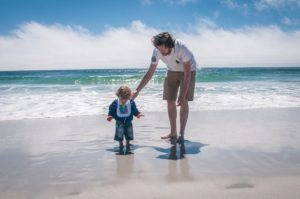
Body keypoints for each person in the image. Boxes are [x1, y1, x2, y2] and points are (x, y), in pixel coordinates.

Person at [132, 32, 197, 143]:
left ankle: (182, 134)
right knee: (170, 100)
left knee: (184, 101)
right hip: (171, 70)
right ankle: (173, 133)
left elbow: (187, 73)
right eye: (159, 49)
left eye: (163, 50)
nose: (161, 52)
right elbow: (150, 73)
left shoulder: (181, 48)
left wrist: (183, 94)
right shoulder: (157, 51)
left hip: (189, 72)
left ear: (170, 46)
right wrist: (137, 90)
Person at [107, 85, 144, 151]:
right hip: (119, 121)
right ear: (118, 96)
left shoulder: (131, 102)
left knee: (129, 132)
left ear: (129, 97)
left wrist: (138, 114)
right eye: (122, 99)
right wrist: (110, 116)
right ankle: (120, 143)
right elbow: (111, 109)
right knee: (119, 133)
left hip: (128, 121)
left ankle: (127, 143)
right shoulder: (115, 103)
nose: (123, 101)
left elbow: (134, 110)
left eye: (126, 99)